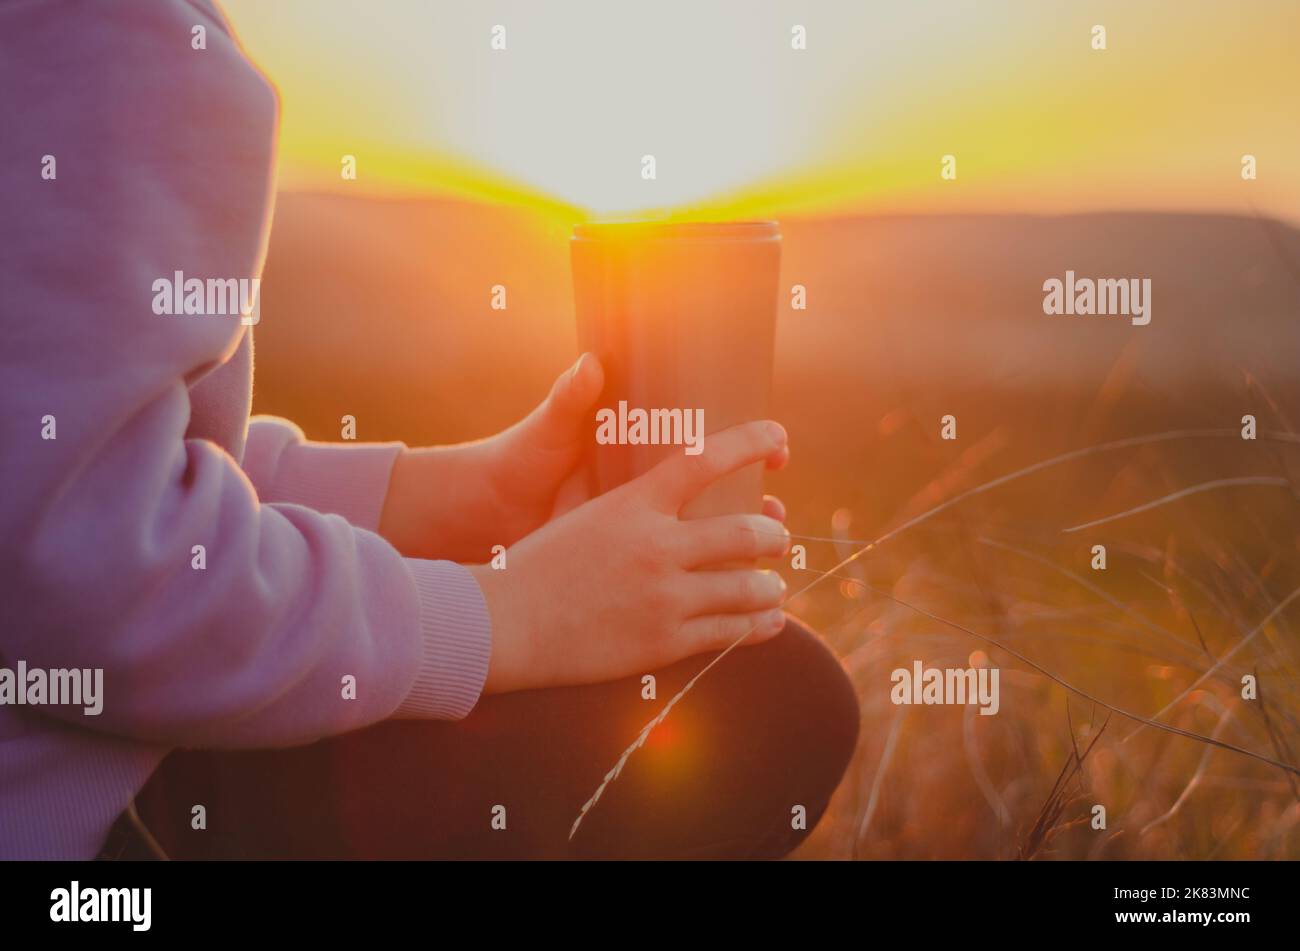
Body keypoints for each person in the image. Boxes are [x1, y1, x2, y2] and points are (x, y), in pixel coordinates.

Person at [0, 0, 858, 860]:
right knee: (765, 703)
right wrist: (503, 616)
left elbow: (74, 468)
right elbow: (85, 569)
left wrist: (451, 495)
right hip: (69, 822)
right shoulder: (104, 28)